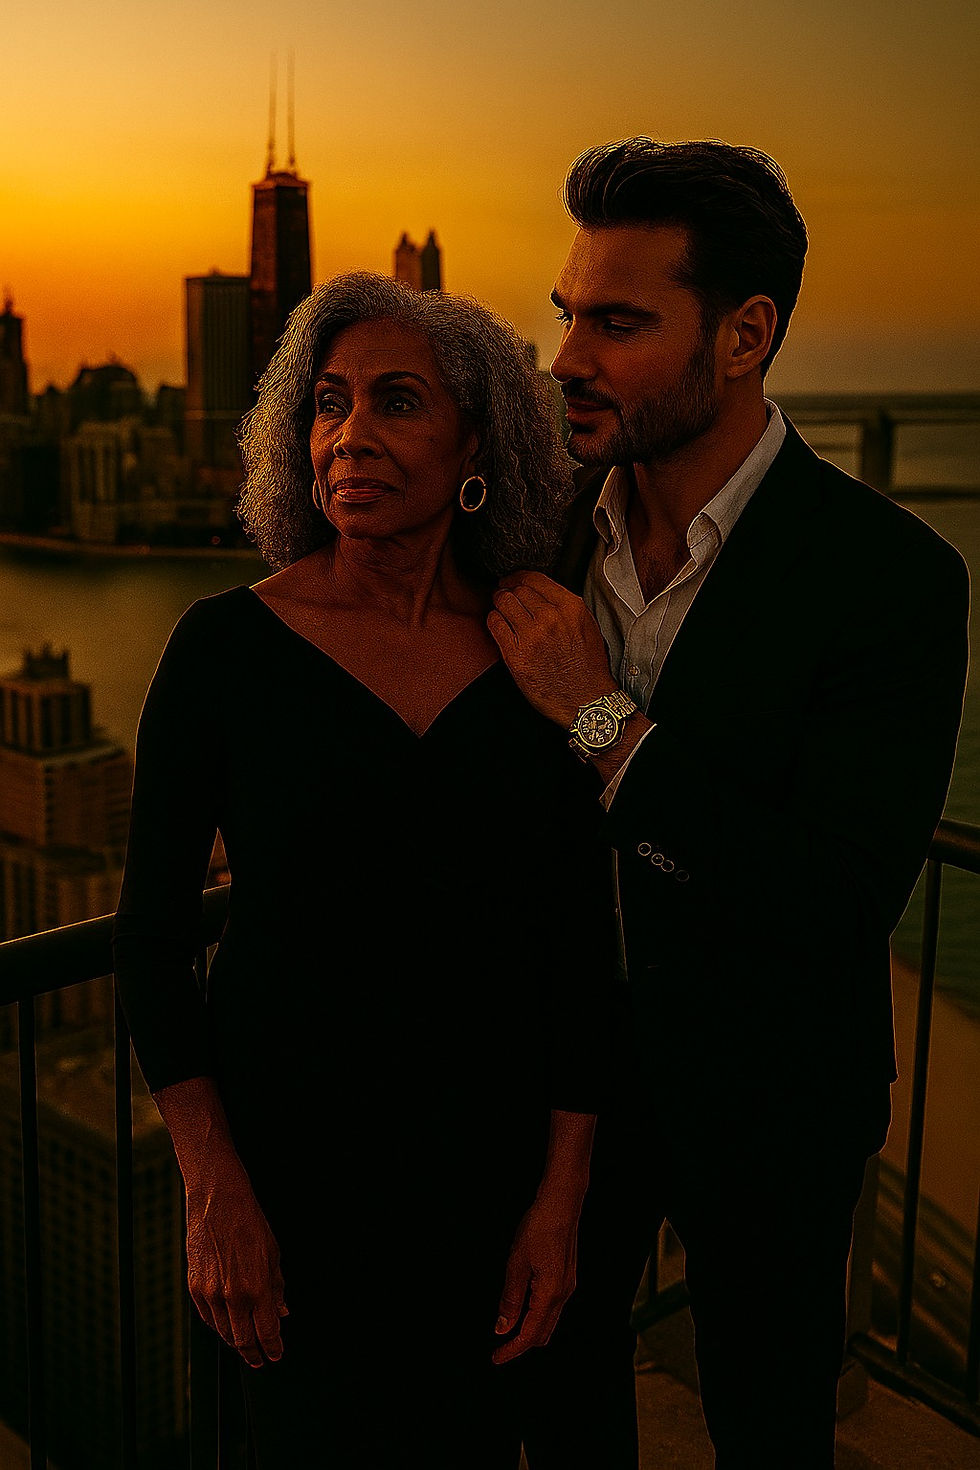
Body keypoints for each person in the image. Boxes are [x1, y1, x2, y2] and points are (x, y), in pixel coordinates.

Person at [488, 139, 970, 1467]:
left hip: (773, 1103)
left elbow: (833, 897)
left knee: (769, 1418)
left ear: (747, 332)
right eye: (567, 313)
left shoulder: (894, 580)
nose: (570, 357)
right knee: (558, 1399)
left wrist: (600, 717)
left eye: (620, 321)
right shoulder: (533, 534)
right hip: (559, 1088)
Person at [112, 272, 619, 1468]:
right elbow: (149, 941)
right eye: (327, 403)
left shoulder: (532, 654)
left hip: (481, 1186)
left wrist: (559, 1201)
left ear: (476, 442)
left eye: (396, 403)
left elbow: (573, 950)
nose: (350, 435)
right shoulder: (222, 649)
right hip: (286, 1191)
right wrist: (213, 1188)